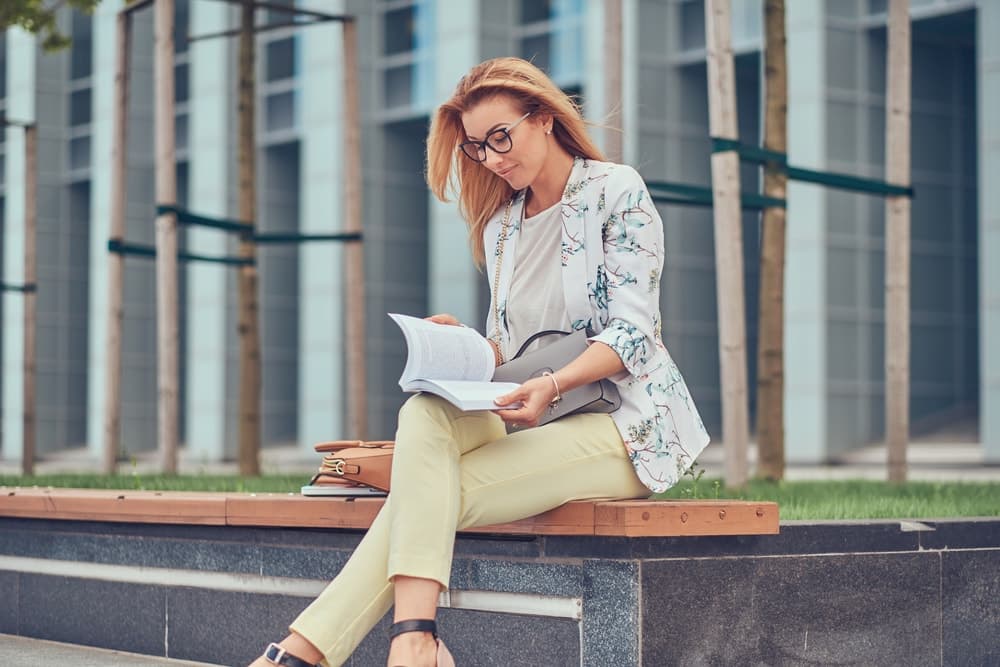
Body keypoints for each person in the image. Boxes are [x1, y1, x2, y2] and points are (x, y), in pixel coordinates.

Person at [251, 56, 709, 667]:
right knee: (424, 414)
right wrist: (467, 345)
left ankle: (317, 652)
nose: (491, 159)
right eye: (476, 148)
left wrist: (554, 382)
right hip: (538, 412)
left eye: (501, 138)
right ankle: (414, 637)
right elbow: (510, 345)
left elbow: (634, 333)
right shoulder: (503, 225)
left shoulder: (614, 190)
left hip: (626, 426)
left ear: (543, 118)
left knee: (430, 492)